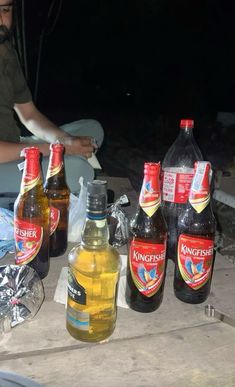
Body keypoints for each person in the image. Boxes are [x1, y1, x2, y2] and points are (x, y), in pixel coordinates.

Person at [0, 0, 104, 205]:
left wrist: (65, 141)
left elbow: (28, 114)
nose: (0, 19)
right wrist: (59, 148)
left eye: (5, 9)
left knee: (92, 130)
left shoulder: (6, 50)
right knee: (76, 170)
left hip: (15, 146)